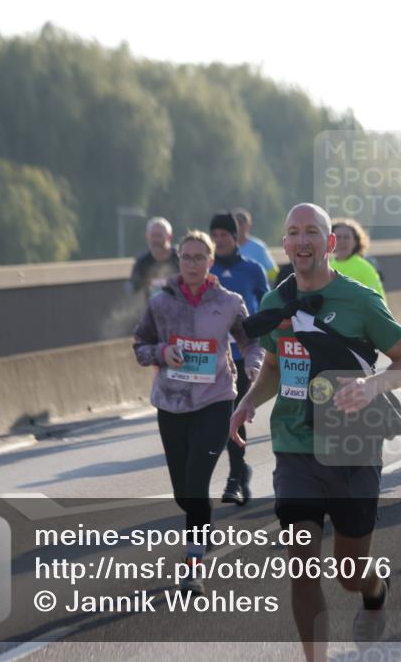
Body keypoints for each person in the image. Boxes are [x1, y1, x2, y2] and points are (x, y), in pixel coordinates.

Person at [228, 203, 401, 661]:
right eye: (293, 232)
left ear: (330, 243)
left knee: (350, 572)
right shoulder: (275, 302)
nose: (302, 240)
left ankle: (375, 590)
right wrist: (249, 400)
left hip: (351, 444)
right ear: (286, 244)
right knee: (302, 566)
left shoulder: (360, 301)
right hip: (294, 446)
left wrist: (372, 386)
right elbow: (274, 364)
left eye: (312, 231)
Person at [132, 231, 262, 593]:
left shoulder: (230, 301)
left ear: (210, 262)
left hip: (215, 401)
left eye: (198, 257)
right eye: (185, 257)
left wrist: (253, 365)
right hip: (171, 403)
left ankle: (193, 566)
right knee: (183, 494)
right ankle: (201, 525)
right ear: (179, 260)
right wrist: (161, 353)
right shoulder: (161, 303)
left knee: (196, 483)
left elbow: (252, 343)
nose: (191, 263)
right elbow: (140, 344)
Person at [208, 212, 270, 506]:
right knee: (215, 417)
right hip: (211, 356)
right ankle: (239, 470)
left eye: (224, 235)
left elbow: (268, 304)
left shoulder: (253, 269)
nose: (219, 240)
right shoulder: (206, 270)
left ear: (235, 238)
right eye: (215, 235)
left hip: (243, 353)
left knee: (234, 412)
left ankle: (235, 476)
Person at [330, 218, 386, 300]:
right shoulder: (327, 267)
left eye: (346, 237)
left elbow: (378, 300)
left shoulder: (365, 268)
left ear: (356, 242)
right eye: (338, 237)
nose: (342, 241)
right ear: (331, 241)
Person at [128, 217, 181, 299]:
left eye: (159, 235)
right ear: (147, 236)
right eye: (153, 235)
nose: (156, 240)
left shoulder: (180, 258)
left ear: (169, 236)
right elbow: (133, 287)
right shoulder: (142, 262)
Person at [233, 207, 280, 284]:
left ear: (248, 225)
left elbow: (274, 274)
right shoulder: (224, 248)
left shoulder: (259, 248)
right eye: (235, 223)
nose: (238, 227)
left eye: (241, 223)